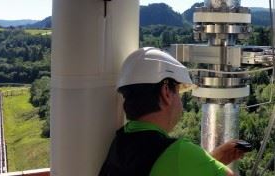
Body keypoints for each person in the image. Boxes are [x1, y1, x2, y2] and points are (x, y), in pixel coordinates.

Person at [99, 47, 245, 176]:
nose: (180, 103)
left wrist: (209, 162)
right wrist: (205, 162)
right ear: (166, 92)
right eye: (179, 92)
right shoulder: (180, 154)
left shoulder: (119, 145)